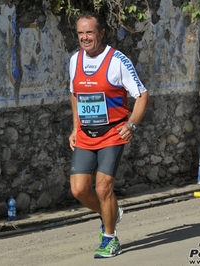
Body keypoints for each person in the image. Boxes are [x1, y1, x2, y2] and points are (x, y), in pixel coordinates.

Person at [68, 11, 150, 258]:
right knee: (79, 190)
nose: (84, 37)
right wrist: (75, 127)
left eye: (89, 32)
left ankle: (110, 238)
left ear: (101, 33)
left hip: (112, 134)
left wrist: (132, 124)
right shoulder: (74, 60)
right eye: (80, 33)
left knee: (103, 189)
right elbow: (74, 94)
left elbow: (142, 95)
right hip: (85, 134)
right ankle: (112, 211)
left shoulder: (117, 61)